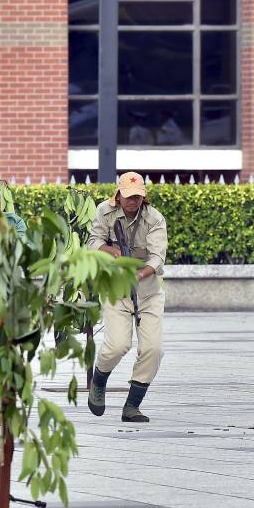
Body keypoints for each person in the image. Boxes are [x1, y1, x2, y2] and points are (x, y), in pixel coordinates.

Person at [87, 171, 168, 422]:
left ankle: (132, 405)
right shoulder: (104, 211)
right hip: (116, 289)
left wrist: (140, 275)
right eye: (129, 196)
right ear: (118, 195)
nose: (133, 201)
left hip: (148, 291)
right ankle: (99, 380)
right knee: (118, 345)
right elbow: (92, 241)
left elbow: (157, 257)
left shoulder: (154, 218)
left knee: (153, 349)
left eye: (138, 197)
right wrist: (110, 250)